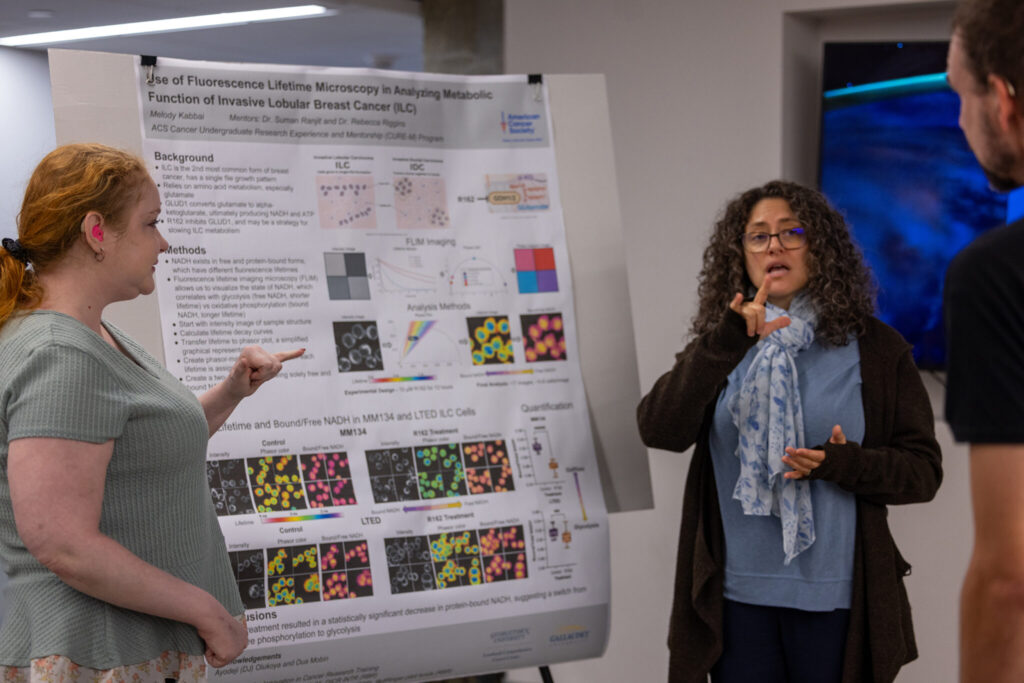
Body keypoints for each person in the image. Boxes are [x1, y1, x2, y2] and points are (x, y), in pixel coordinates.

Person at [0, 143, 303, 682]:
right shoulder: (59, 353)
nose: (163, 243)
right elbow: (63, 543)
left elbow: (143, 447)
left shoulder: (89, 338)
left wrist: (232, 391)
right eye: (150, 224)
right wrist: (208, 613)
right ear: (97, 232)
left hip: (125, 652)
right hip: (99, 655)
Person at [636, 180, 942, 683]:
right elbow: (659, 428)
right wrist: (728, 339)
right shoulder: (722, 346)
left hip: (838, 601)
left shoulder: (878, 350)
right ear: (741, 256)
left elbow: (923, 473)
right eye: (758, 236)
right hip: (737, 601)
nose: (773, 245)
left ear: (820, 249)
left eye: (791, 232)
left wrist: (846, 465)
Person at [944, 2, 1024, 681]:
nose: (958, 119)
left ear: (1001, 101)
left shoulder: (995, 274)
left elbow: (1009, 576)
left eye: (959, 95)